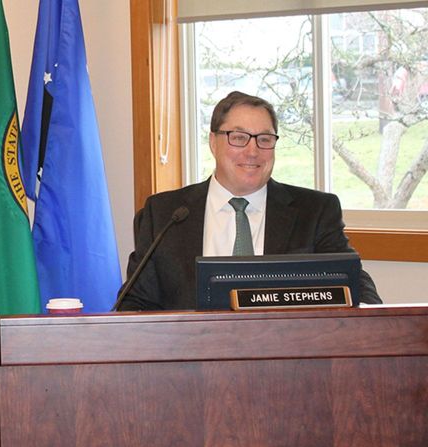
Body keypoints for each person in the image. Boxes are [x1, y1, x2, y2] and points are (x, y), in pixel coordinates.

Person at [117, 91, 381, 311]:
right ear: (213, 142)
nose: (253, 151)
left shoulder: (315, 212)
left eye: (264, 139)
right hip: (189, 355)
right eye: (239, 138)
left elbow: (356, 287)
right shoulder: (164, 213)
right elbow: (135, 303)